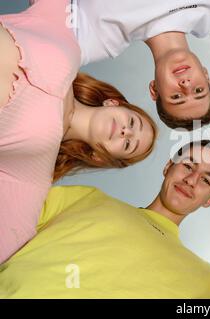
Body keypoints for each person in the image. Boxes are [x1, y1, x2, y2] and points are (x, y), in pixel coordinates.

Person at [0, 0, 158, 263]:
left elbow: (11, 237)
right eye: (132, 123)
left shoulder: (35, 172)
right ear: (113, 103)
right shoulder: (68, 45)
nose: (126, 133)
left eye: (129, 145)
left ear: (100, 157)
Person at [0, 140, 210, 299]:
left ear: (209, 199)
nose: (191, 179)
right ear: (168, 167)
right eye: (188, 166)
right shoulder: (86, 197)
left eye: (206, 179)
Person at [72, 0, 210, 130]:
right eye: (198, 91)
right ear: (206, 76)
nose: (186, 85)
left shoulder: (99, 40)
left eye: (176, 97)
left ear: (154, 89)